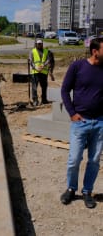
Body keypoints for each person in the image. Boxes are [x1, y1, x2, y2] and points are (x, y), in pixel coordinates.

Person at [60, 37, 103, 209]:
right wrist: (72, 113)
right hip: (80, 122)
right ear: (95, 51)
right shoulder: (77, 67)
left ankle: (87, 191)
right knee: (74, 159)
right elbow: (64, 90)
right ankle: (71, 188)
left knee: (94, 160)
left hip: (100, 122)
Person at [28, 39, 52, 106]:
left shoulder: (46, 51)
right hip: (35, 71)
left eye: (41, 43)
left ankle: (44, 99)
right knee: (34, 87)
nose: (40, 45)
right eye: (38, 44)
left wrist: (44, 65)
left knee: (44, 87)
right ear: (36, 44)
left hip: (43, 71)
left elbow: (48, 59)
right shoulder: (32, 51)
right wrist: (35, 67)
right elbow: (30, 61)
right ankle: (35, 100)